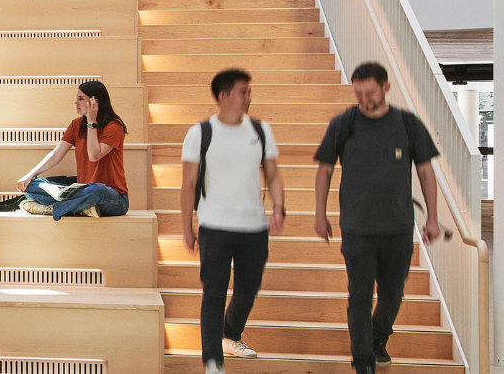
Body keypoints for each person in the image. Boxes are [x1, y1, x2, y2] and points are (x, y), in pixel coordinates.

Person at [312, 62, 442, 374]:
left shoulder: (408, 124)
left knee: (392, 293)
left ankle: (378, 336)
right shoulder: (344, 123)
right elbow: (325, 169)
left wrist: (432, 218)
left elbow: (425, 169)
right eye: (358, 93)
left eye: (369, 92)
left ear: (385, 88)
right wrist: (320, 214)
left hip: (398, 227)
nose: (363, 99)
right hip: (357, 228)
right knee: (358, 295)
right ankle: (363, 363)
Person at [183, 69, 284, 373]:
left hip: (254, 226)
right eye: (243, 92)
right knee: (214, 291)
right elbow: (188, 184)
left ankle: (230, 333)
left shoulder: (261, 130)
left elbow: (273, 173)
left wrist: (279, 206)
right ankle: (213, 360)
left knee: (248, 289)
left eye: (249, 91)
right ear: (224, 96)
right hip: (214, 225)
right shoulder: (200, 133)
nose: (248, 97)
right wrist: (186, 226)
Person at [14, 80, 130, 218]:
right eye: (76, 99)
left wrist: (92, 122)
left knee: (97, 190)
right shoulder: (76, 124)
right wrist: (29, 175)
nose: (76, 103)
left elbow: (94, 155)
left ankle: (54, 208)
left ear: (95, 102)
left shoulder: (114, 126)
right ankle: (81, 208)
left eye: (81, 99)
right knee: (32, 185)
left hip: (113, 198)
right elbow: (56, 154)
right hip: (83, 189)